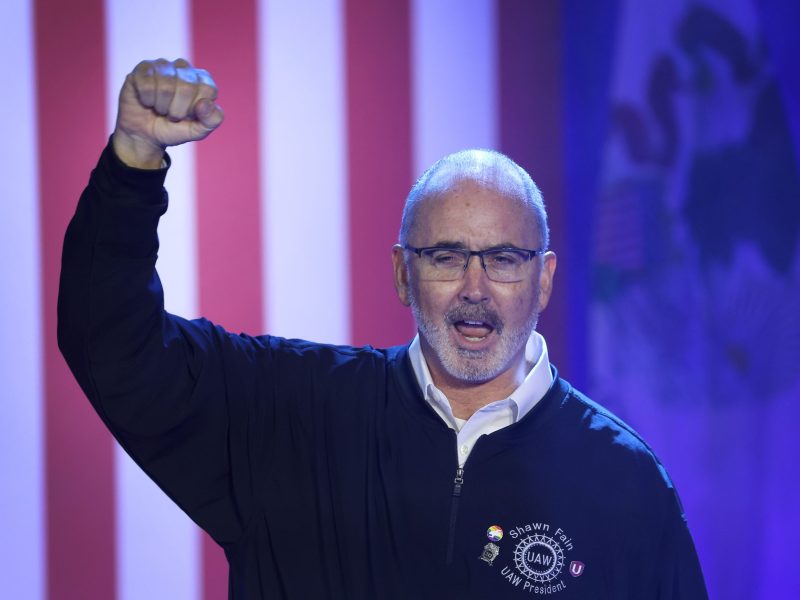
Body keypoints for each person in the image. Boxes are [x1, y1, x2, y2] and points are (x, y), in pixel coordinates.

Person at [58, 58, 708, 599]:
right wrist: (134, 164)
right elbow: (111, 340)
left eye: (505, 260)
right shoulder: (287, 414)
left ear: (544, 279)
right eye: (446, 256)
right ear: (402, 274)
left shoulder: (627, 486)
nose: (474, 289)